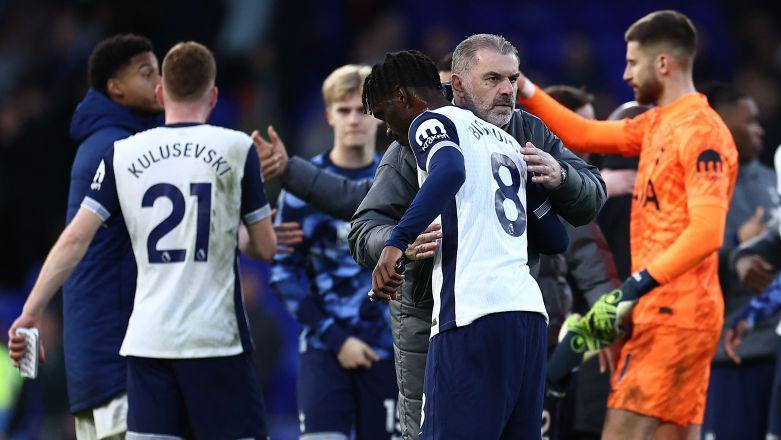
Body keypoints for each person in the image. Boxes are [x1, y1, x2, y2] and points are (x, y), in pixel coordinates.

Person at [8, 41, 276, 439]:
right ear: (214, 95)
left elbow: (74, 239)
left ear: (162, 93)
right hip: (214, 338)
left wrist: (31, 310)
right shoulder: (235, 147)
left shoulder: (123, 153)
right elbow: (266, 248)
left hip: (147, 341)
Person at [349, 33, 606, 440]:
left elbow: (451, 171)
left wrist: (561, 177)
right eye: (493, 79)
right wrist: (398, 240)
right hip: (516, 315)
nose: (507, 90)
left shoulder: (461, 128)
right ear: (458, 86)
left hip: (466, 316)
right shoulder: (504, 142)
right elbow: (363, 229)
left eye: (512, 80)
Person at [517, 10, 738, 439]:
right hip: (663, 309)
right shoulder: (657, 122)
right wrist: (524, 87)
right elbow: (583, 134)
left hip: (676, 313)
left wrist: (636, 285)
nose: (624, 73)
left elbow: (707, 231)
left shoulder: (702, 132)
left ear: (663, 64)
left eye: (632, 62)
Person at [270, 64, 399, 439]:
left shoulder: (398, 183)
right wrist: (336, 339)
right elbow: (283, 273)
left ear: (378, 115)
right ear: (328, 115)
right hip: (325, 350)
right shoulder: (302, 187)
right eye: (343, 110)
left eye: (362, 110)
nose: (353, 120)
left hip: (389, 351)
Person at [64, 34, 162, 440]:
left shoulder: (103, 141)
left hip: (94, 355)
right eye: (146, 73)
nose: (159, 81)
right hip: (117, 354)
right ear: (115, 87)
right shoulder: (121, 148)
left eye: (159, 71)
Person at [697, 82, 779, 440]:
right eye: (750, 121)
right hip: (726, 352)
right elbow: (679, 264)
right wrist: (736, 246)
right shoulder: (696, 183)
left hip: (773, 347)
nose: (759, 130)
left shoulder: (771, 179)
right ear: (720, 123)